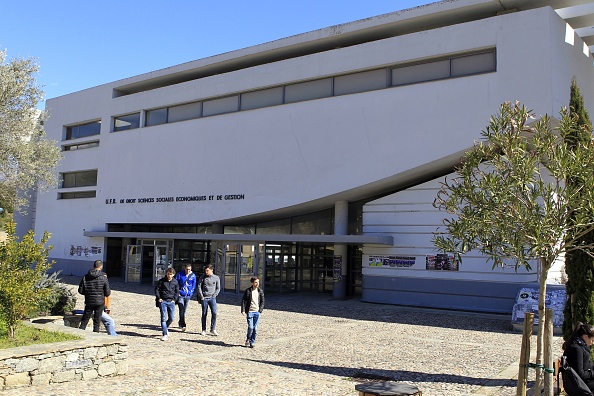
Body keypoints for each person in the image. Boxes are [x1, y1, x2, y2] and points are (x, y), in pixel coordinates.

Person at [78, 260, 111, 332]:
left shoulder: (86, 277)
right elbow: (107, 293)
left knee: (84, 321)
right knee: (97, 322)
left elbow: (80, 290)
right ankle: (95, 336)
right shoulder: (104, 277)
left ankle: (79, 334)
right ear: (101, 267)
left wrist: (88, 293)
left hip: (89, 301)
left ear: (93, 266)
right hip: (99, 302)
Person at [562, 322, 594, 392]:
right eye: (592, 340)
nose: (593, 343)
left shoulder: (581, 347)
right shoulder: (576, 349)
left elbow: (586, 364)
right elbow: (580, 374)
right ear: (585, 337)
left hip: (581, 382)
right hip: (579, 385)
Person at [155, 267, 179, 341]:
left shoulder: (175, 282)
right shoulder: (162, 281)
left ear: (173, 275)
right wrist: (159, 298)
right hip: (163, 301)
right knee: (163, 317)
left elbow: (177, 291)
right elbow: (157, 290)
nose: (169, 275)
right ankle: (165, 333)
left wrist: (174, 299)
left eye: (171, 274)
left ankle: (166, 327)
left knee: (171, 318)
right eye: (168, 274)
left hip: (171, 301)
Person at [241, 276, 265, 348]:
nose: (257, 284)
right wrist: (243, 310)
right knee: (251, 327)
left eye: (258, 282)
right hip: (250, 312)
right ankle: (248, 338)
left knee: (255, 329)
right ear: (252, 283)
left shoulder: (260, 291)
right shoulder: (248, 291)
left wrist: (260, 310)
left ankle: (252, 342)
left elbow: (262, 301)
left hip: (257, 312)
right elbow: (243, 300)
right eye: (256, 282)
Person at [197, 264, 220, 336]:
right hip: (204, 298)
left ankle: (213, 329)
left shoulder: (216, 278)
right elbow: (199, 287)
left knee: (214, 313)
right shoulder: (203, 277)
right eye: (205, 270)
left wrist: (214, 295)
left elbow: (218, 288)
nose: (206, 272)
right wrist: (201, 296)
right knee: (204, 313)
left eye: (208, 270)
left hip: (212, 298)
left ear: (211, 270)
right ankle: (203, 329)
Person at [175, 263, 196, 332]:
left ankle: (180, 321)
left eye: (189, 269)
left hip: (188, 296)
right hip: (181, 295)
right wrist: (179, 292)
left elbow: (193, 285)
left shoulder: (193, 276)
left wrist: (191, 293)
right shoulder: (180, 274)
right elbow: (175, 284)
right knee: (181, 309)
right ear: (185, 269)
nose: (188, 271)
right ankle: (183, 324)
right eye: (187, 269)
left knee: (184, 310)